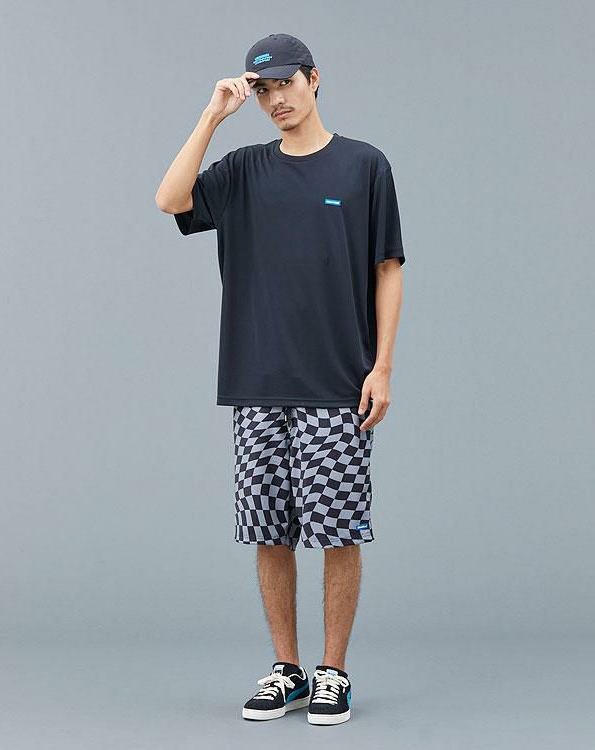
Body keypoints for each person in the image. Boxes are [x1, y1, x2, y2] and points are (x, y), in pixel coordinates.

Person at [155, 33, 405, 726]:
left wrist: (382, 367)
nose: (274, 100)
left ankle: (334, 674)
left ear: (314, 79)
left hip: (337, 382)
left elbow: (388, 267)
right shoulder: (243, 170)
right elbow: (170, 199)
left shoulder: (364, 166)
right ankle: (287, 670)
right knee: (269, 531)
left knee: (337, 531)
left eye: (285, 84)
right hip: (258, 381)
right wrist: (213, 116)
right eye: (262, 90)